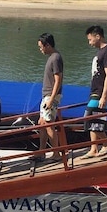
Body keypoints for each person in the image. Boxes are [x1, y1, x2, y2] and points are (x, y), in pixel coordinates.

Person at [83, 26, 107, 158]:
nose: (89, 43)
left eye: (90, 39)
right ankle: (93, 148)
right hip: (95, 90)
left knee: (90, 118)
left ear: (98, 36)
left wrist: (104, 96)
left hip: (101, 92)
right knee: (93, 119)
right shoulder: (100, 51)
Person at [35, 32, 63, 160]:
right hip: (46, 95)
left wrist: (51, 99)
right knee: (42, 123)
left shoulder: (56, 58)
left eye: (41, 47)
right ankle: (42, 151)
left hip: (51, 96)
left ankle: (56, 153)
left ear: (47, 45)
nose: (40, 50)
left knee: (48, 124)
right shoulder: (52, 57)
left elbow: (58, 79)